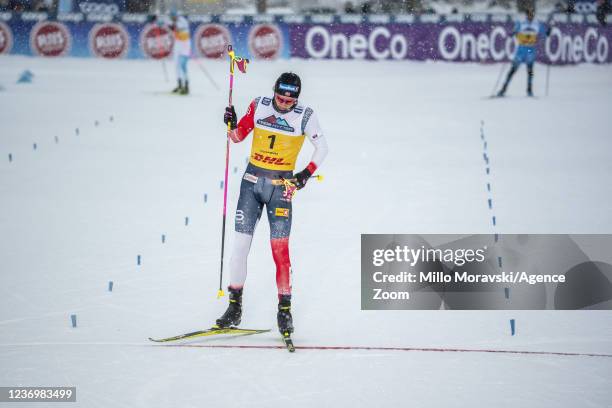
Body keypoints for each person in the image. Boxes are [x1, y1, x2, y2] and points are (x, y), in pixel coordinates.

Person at [215, 73, 329, 337]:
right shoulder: (259, 104)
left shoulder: (306, 115)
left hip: (282, 188)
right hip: (251, 184)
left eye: (291, 99)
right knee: (239, 248)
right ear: (275, 92)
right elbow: (237, 136)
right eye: (281, 97)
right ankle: (234, 307)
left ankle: (284, 311)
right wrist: (230, 122)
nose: (286, 102)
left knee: (280, 252)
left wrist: (305, 174)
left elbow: (322, 148)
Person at [497, 8, 549, 97]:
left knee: (530, 71)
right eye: (529, 14)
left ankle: (529, 90)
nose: (530, 16)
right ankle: (503, 89)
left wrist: (549, 31)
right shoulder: (521, 23)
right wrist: (512, 33)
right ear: (526, 15)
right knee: (512, 70)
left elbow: (545, 33)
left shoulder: (538, 25)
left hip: (530, 50)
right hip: (521, 50)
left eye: (532, 14)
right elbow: (513, 31)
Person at [168, 10, 191, 95]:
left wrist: (171, 26)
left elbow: (177, 29)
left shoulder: (182, 20)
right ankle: (180, 85)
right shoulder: (174, 20)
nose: (171, 19)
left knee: (182, 66)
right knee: (177, 66)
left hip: (185, 45)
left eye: (172, 17)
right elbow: (168, 24)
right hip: (178, 45)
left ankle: (186, 87)